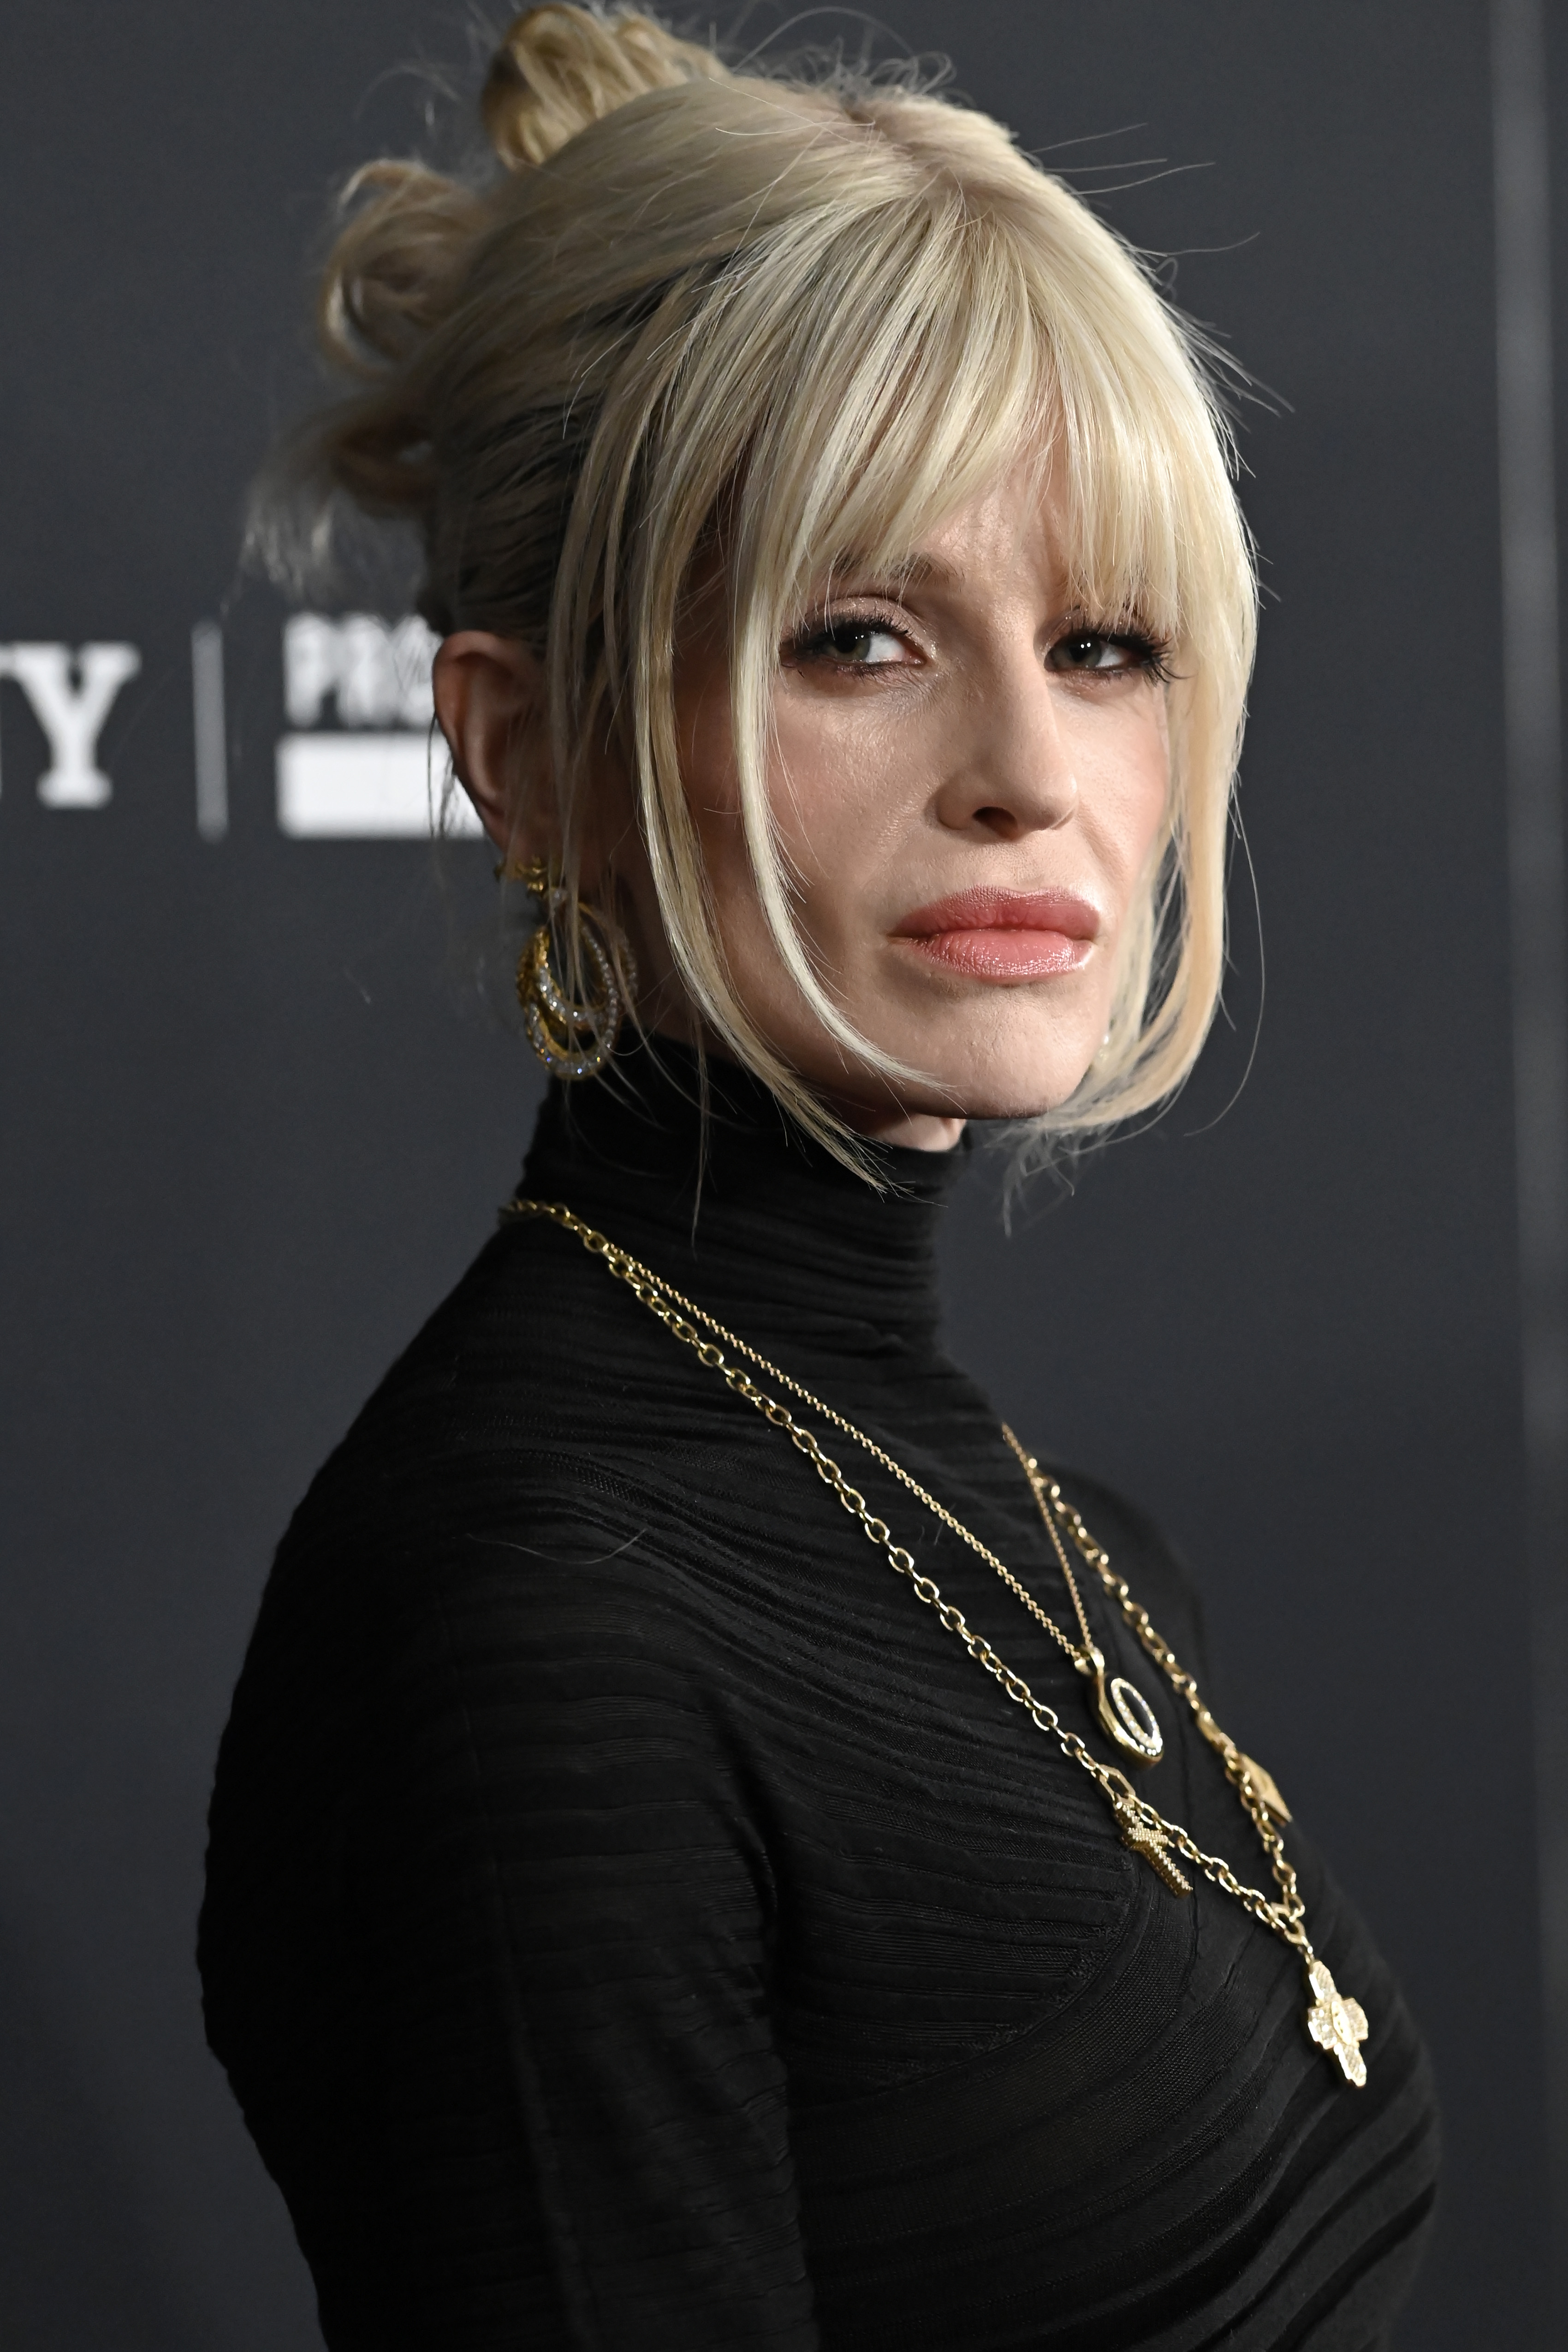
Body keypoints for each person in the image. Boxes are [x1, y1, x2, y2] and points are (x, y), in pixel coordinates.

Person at [198, 8, 1440, 2346]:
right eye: (859, 638)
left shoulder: (1063, 1540)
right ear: (528, 753)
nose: (1025, 770)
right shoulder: (534, 1641)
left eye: (1100, 643)